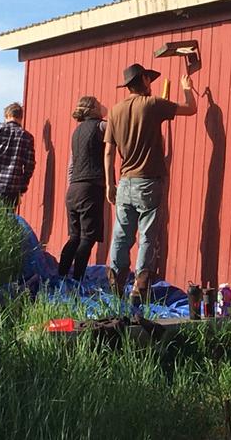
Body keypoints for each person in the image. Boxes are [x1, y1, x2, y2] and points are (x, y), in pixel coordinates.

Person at [104, 63, 197, 303]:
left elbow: (108, 152)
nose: (151, 84)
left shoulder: (115, 111)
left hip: (124, 183)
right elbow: (191, 109)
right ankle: (140, 289)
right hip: (149, 182)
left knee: (121, 236)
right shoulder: (153, 104)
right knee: (147, 236)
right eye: (149, 80)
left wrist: (109, 184)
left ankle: (116, 287)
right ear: (144, 79)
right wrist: (187, 88)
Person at [58, 96, 107, 281]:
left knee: (74, 236)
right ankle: (77, 280)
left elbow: (71, 166)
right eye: (99, 103)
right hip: (90, 186)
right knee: (87, 237)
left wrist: (72, 186)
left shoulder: (76, 132)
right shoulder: (101, 126)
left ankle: (62, 276)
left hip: (73, 190)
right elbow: (119, 131)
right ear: (94, 108)